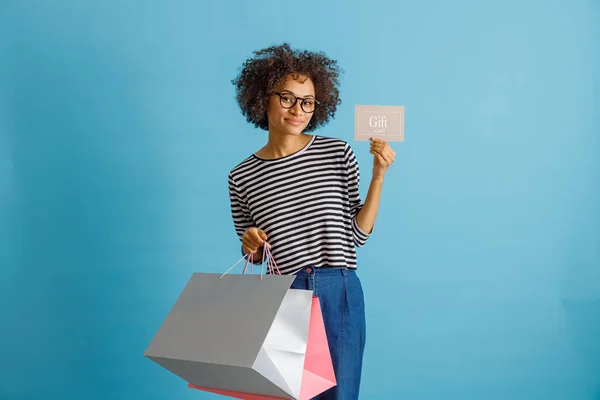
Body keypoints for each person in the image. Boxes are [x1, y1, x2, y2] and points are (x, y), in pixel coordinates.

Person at [227, 43, 395, 400]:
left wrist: (378, 174)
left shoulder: (337, 153)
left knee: (339, 394)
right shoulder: (241, 176)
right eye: (287, 97)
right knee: (287, 394)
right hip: (283, 293)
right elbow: (254, 255)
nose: (297, 109)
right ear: (263, 97)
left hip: (340, 289)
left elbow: (357, 235)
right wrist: (250, 241)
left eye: (307, 102)